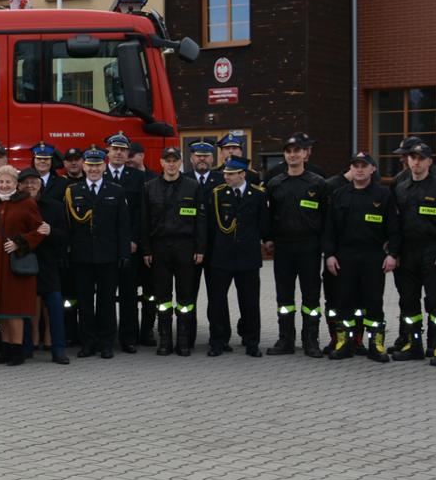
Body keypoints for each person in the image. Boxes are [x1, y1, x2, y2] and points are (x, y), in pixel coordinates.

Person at [323, 153, 400, 362]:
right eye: (355, 166)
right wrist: (329, 255)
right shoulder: (339, 194)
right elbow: (329, 230)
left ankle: (376, 345)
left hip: (373, 256)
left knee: (374, 302)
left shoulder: (383, 195)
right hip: (344, 256)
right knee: (344, 301)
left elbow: (394, 228)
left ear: (372, 169)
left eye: (364, 166)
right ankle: (345, 344)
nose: (359, 170)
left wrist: (392, 254)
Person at [391, 140, 436, 364]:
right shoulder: (400, 186)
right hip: (406, 252)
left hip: (433, 251)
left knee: (435, 300)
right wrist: (393, 252)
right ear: (408, 160)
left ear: (429, 161)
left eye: (421, 158)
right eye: (413, 158)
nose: (416, 162)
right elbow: (395, 224)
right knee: (408, 301)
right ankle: (414, 343)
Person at [264, 132, 329, 356]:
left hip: (309, 247)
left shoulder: (317, 183)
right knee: (284, 297)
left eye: (297, 151)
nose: (293, 155)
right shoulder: (275, 183)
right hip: (283, 247)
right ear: (285, 155)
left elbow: (326, 217)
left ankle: (311, 340)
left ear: (305, 154)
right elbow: (268, 216)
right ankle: (285, 340)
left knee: (311, 296)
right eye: (289, 151)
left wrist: (324, 246)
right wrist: (268, 239)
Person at [65, 147, 131, 359]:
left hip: (107, 256)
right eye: (90, 165)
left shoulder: (116, 191)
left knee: (107, 302)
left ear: (104, 166)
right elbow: (68, 226)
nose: (94, 169)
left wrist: (123, 254)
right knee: (84, 302)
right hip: (82, 256)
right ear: (84, 167)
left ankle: (106, 343)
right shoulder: (73, 191)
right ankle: (88, 343)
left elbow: (123, 226)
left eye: (98, 165)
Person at [201, 157, 270, 357]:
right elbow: (211, 226)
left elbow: (263, 224)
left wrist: (267, 241)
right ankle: (218, 340)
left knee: (249, 301)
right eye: (225, 173)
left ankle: (251, 341)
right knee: (217, 301)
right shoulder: (217, 194)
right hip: (221, 256)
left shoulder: (257, 195)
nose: (226, 177)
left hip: (247, 256)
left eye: (230, 174)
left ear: (242, 174)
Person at [0, 165, 45, 366]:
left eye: (9, 182)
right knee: (0, 311)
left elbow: (39, 230)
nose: (5, 185)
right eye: (1, 181)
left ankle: (18, 351)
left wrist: (20, 243)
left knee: (14, 310)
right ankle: (5, 349)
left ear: (16, 184)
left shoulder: (27, 203)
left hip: (15, 265)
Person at [141, 148, 205, 356]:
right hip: (160, 247)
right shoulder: (150, 187)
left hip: (185, 247)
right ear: (161, 163)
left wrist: (200, 248)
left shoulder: (192, 187)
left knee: (186, 298)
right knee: (163, 297)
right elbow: (144, 221)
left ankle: (184, 341)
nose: (171, 164)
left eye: (174, 161)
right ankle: (165, 340)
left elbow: (200, 221)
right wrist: (146, 249)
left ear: (180, 163)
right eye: (167, 161)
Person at [18, 169, 72, 365]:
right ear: (19, 186)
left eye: (34, 182)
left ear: (41, 184)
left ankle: (58, 350)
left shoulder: (55, 207)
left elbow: (65, 236)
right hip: (23, 263)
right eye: (25, 183)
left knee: (55, 307)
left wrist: (51, 231)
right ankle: (25, 348)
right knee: (24, 308)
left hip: (48, 264)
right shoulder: (14, 206)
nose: (30, 186)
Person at [102, 134, 149, 351]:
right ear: (108, 152)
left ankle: (128, 338)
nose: (119, 153)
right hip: (106, 246)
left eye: (123, 149)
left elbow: (141, 213)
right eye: (115, 149)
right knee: (106, 295)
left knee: (129, 295)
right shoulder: (98, 174)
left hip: (130, 246)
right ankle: (107, 337)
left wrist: (134, 239)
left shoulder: (138, 178)